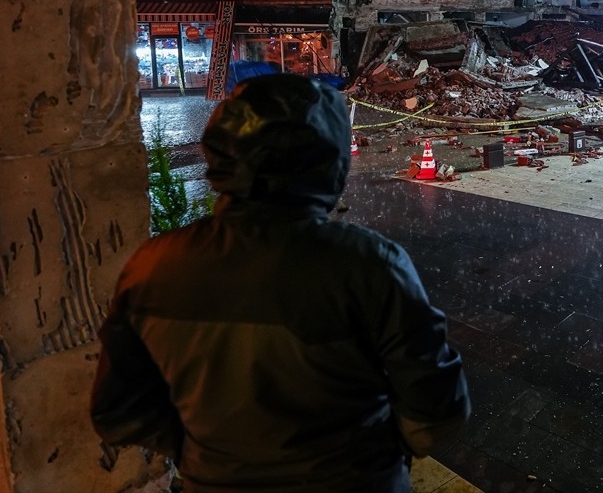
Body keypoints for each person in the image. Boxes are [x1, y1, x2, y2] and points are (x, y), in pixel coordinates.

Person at [91, 74, 470, 493]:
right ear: (331, 162)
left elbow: (118, 412)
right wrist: (375, 451)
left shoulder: (153, 266)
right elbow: (435, 412)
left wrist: (200, 452)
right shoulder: (371, 266)